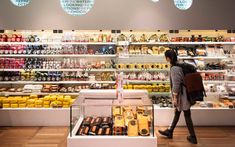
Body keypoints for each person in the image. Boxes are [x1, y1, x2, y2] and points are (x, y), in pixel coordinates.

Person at [158, 50, 197, 144]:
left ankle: (193, 137)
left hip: (182, 95)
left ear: (168, 58)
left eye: (166, 57)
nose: (165, 58)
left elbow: (176, 84)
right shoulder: (179, 64)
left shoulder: (174, 68)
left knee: (187, 114)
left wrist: (175, 98)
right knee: (177, 112)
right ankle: (170, 131)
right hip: (184, 93)